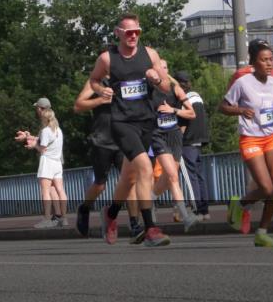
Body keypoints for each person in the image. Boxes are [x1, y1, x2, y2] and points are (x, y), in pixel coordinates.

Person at [88, 13, 172, 247]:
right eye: (128, 32)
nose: (133, 36)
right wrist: (101, 90)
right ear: (118, 33)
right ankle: (150, 229)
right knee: (145, 168)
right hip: (122, 122)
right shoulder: (107, 58)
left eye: (137, 32)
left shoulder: (150, 54)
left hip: (146, 121)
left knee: (129, 177)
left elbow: (167, 86)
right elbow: (94, 80)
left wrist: (156, 79)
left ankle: (111, 214)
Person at [221, 39, 273, 247]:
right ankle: (240, 204)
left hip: (270, 137)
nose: (269, 63)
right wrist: (241, 110)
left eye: (271, 59)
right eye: (264, 60)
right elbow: (223, 107)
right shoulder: (243, 83)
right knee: (266, 188)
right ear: (253, 62)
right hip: (250, 138)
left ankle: (262, 232)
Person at [73, 79, 142, 240]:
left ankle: (135, 225)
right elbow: (78, 106)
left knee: (130, 182)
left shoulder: (127, 80)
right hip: (102, 140)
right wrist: (100, 100)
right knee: (100, 185)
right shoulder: (96, 82)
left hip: (124, 139)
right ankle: (84, 208)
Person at [149, 60, 199, 231]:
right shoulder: (149, 90)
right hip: (158, 136)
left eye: (164, 67)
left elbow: (192, 113)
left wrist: (174, 110)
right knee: (172, 175)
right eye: (158, 68)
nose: (161, 70)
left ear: (167, 70)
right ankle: (186, 217)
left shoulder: (175, 88)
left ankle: (148, 200)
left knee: (169, 177)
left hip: (175, 135)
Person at [16, 98, 67, 228]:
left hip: (47, 162)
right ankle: (63, 218)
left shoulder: (45, 130)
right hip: (57, 163)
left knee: (45, 191)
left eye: (37, 108)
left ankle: (47, 219)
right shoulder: (58, 129)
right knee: (59, 190)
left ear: (41, 110)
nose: (36, 110)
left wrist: (33, 146)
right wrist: (28, 136)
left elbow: (42, 148)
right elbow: (44, 140)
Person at [177, 71, 211, 221]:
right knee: (200, 176)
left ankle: (196, 210)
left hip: (187, 141)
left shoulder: (184, 100)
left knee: (191, 177)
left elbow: (184, 122)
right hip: (199, 140)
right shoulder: (197, 97)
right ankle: (205, 210)